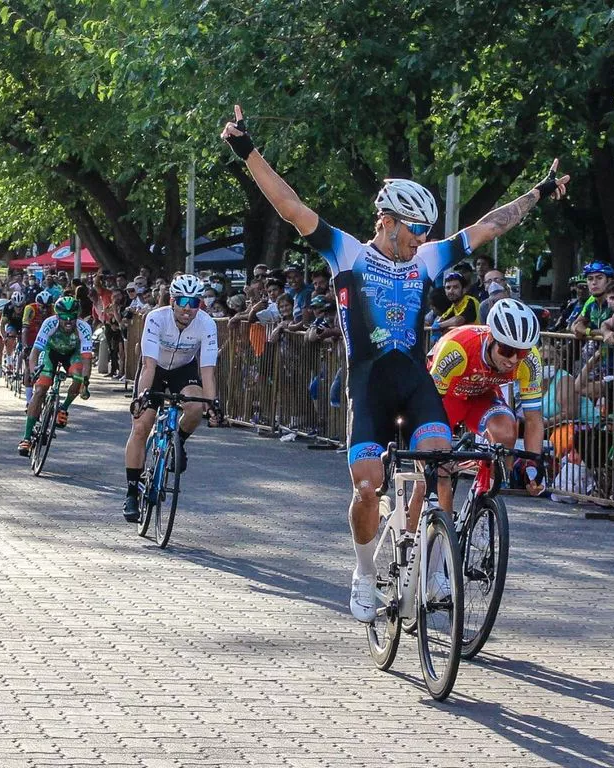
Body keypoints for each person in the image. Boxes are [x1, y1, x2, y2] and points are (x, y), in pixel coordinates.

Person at [222, 104, 569, 622]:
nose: (421, 241)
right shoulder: (346, 254)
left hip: (414, 382)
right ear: (386, 221)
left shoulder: (428, 260)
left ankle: (430, 558)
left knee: (439, 465)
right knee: (367, 487)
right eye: (414, 231)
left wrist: (537, 193)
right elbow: (289, 205)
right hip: (367, 386)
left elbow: (488, 227)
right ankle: (364, 574)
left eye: (427, 232)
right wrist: (246, 150)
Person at [428, 298, 548, 508]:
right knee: (436, 470)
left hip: (482, 396)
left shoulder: (529, 361)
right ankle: (434, 529)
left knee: (507, 434)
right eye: (507, 351)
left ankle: (483, 501)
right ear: (490, 337)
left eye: (521, 352)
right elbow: (428, 406)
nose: (513, 360)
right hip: (446, 398)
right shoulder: (456, 348)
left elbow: (533, 419)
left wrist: (534, 463)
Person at [122, 275, 221, 522]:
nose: (188, 307)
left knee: (196, 407)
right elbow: (148, 365)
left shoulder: (207, 324)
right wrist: (143, 397)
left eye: (195, 302)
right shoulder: (156, 318)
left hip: (182, 370)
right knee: (142, 425)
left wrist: (212, 404)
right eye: (183, 301)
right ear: (172, 301)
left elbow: (207, 369)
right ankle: (132, 492)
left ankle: (179, 441)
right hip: (154, 369)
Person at [17, 297, 93, 456]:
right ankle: (26, 438)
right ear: (57, 316)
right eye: (64, 318)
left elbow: (87, 360)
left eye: (72, 318)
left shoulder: (84, 328)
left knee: (79, 376)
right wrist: (33, 372)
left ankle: (63, 408)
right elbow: (35, 352)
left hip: (72, 354)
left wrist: (85, 383)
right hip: (50, 352)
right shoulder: (49, 323)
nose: (68, 322)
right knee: (40, 389)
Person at [21, 290, 54, 403]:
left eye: (47, 307)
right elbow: (25, 329)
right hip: (31, 338)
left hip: (45, 340)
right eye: (42, 307)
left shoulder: (53, 309)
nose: (44, 310)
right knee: (29, 366)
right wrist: (25, 346)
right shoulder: (30, 309)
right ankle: (29, 401)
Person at [570, 261, 614, 340]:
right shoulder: (591, 301)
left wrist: (587, 331)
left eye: (599, 278)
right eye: (590, 279)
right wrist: (577, 329)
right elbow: (575, 325)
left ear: (609, 280)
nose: (594, 282)